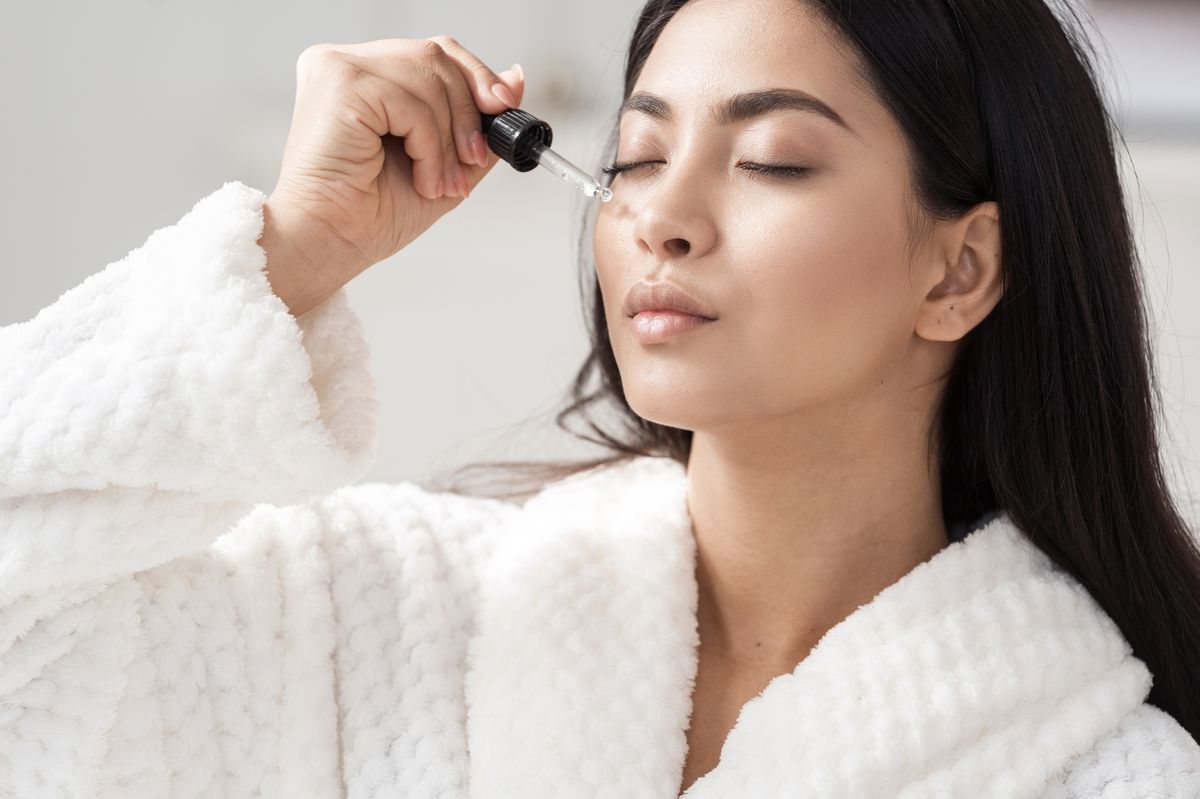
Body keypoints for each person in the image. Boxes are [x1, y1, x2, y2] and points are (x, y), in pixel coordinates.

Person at [3, 0, 1199, 795]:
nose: (659, 217)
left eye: (773, 160)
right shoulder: (379, 612)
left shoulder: (1108, 770)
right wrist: (288, 253)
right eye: (632, 157)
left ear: (962, 268)